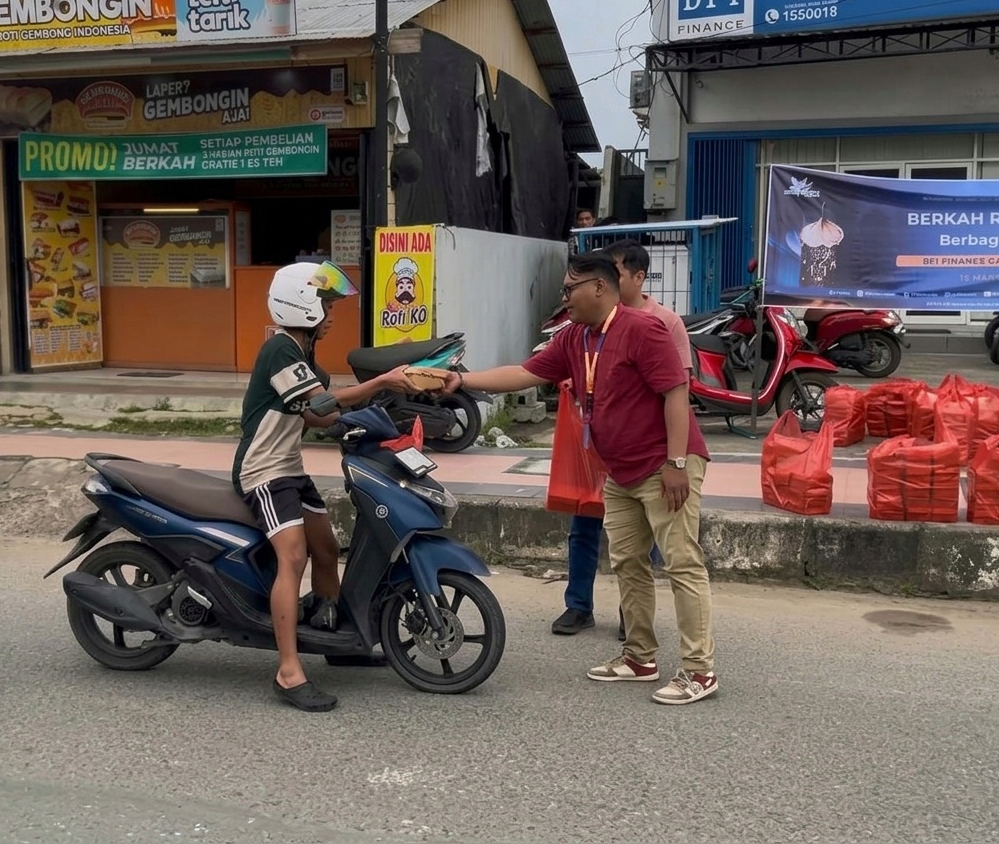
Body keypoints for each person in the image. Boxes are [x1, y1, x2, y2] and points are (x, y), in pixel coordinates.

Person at [445, 252, 718, 705]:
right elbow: (524, 372)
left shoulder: (643, 329)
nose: (564, 298)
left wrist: (676, 464)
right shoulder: (575, 337)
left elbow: (676, 392)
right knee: (628, 562)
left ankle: (699, 670)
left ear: (599, 287)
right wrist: (462, 380)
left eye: (570, 288)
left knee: (681, 563)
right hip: (620, 469)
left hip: (664, 464)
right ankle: (640, 658)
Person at [233, 261, 419, 712]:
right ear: (300, 305)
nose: (332, 314)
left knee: (327, 546)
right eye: (326, 305)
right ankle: (288, 670)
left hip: (289, 468)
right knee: (293, 556)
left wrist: (367, 417)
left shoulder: (303, 356)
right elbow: (317, 404)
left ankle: (334, 635)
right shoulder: (279, 349)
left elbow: (318, 416)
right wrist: (380, 380)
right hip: (263, 471)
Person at [552, 239, 692, 640]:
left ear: (634, 277)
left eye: (615, 271)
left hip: (647, 453)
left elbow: (677, 389)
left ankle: (638, 622)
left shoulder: (658, 324)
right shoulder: (582, 330)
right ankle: (579, 607)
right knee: (586, 524)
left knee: (653, 547)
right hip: (598, 445)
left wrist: (676, 461)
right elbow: (535, 369)